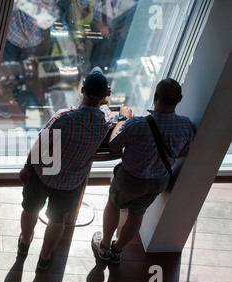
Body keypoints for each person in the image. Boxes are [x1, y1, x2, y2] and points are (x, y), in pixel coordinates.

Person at [18, 67, 114, 270]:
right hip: (71, 183)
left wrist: (27, 167)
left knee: (30, 208)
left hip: (44, 175)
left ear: (82, 90)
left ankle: (25, 241)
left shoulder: (64, 117)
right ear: (106, 94)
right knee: (57, 219)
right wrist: (106, 98)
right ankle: (44, 257)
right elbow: (107, 109)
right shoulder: (106, 119)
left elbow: (40, 144)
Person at [92, 78, 195, 264]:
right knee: (136, 215)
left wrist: (123, 118)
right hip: (158, 181)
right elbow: (182, 153)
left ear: (155, 97)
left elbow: (114, 145)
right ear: (179, 99)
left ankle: (105, 246)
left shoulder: (138, 124)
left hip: (129, 179)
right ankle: (117, 251)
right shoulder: (186, 126)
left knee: (114, 205)